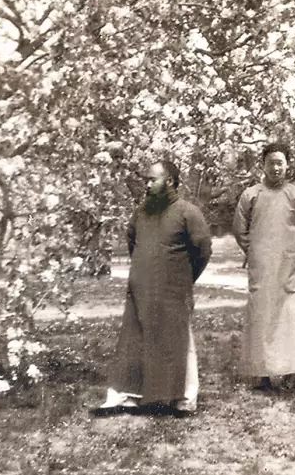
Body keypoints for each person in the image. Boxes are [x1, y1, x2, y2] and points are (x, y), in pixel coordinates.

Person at [92, 160, 212, 417]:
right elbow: (133, 242)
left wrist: (183, 277)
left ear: (169, 181)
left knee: (178, 341)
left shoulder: (188, 212)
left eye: (152, 180)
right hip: (141, 289)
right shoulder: (141, 212)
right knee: (134, 341)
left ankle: (183, 399)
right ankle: (127, 397)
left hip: (174, 291)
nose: (146, 184)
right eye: (146, 180)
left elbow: (202, 250)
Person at [233, 143, 295, 390]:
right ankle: (263, 375)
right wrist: (256, 252)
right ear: (263, 165)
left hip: (291, 267)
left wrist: (293, 253)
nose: (275, 168)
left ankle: (293, 371)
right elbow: (240, 229)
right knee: (263, 316)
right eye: (271, 163)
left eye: (280, 163)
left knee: (292, 316)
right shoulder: (251, 195)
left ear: (288, 165)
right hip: (262, 268)